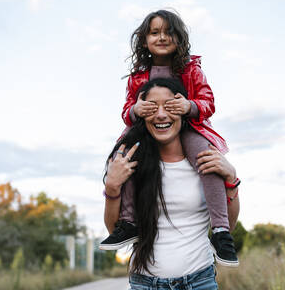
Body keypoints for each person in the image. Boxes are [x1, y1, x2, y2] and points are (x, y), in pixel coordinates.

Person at [99, 10, 239, 266]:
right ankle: (129, 222)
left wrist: (189, 106)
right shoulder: (138, 76)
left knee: (208, 159)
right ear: (144, 40)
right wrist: (135, 111)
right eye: (154, 32)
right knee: (124, 154)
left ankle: (220, 231)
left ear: (180, 38)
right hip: (145, 130)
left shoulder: (192, 70)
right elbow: (126, 110)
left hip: (189, 126)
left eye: (168, 32)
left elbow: (208, 102)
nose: (162, 37)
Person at [103, 78, 240, 289]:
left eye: (169, 106)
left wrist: (231, 179)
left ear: (183, 110)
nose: (160, 114)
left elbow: (228, 226)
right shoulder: (131, 162)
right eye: (151, 107)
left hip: (199, 281)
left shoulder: (204, 160)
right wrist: (112, 187)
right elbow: (114, 229)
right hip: (145, 283)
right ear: (140, 113)